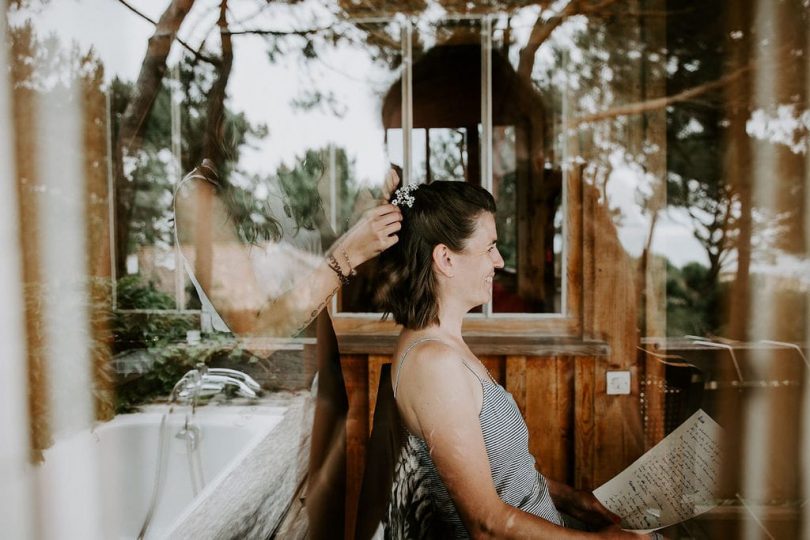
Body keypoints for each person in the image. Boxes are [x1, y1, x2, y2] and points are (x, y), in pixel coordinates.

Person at [376, 180, 649, 538]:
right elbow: (485, 523)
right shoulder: (433, 365)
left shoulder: (442, 344)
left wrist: (572, 499)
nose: (499, 261)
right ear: (445, 259)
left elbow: (504, 474)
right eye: (489, 247)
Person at [173, 159, 403, 538]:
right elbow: (257, 334)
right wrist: (348, 252)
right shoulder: (200, 193)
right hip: (260, 402)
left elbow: (310, 272)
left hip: (317, 383)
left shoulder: (273, 179)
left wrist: (363, 209)